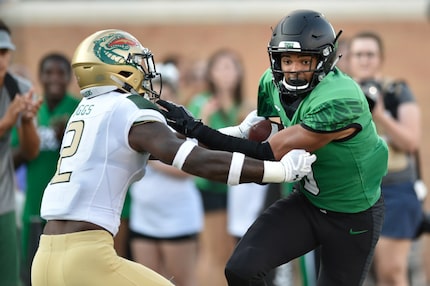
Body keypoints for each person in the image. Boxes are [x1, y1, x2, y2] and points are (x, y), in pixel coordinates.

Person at [30, 29, 316, 286]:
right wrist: (278, 171)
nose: (145, 71)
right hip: (86, 257)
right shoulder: (126, 107)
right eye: (136, 63)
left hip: (44, 258)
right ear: (117, 68)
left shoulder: (89, 109)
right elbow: (194, 159)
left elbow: (173, 144)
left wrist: (237, 133)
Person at [158, 9, 389, 286]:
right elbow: (267, 130)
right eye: (287, 59)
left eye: (305, 60)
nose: (292, 69)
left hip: (352, 214)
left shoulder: (340, 100)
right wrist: (229, 132)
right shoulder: (271, 81)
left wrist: (194, 129)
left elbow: (268, 152)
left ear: (325, 59)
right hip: (308, 202)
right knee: (241, 269)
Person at [347, 31, 426, 286]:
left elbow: (411, 141)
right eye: (359, 54)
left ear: (380, 58)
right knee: (360, 272)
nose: (364, 60)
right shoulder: (341, 94)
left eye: (370, 54)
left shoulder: (397, 90)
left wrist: (380, 114)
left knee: (391, 270)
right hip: (352, 193)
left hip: (395, 190)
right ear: (349, 59)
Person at [129, 62, 203, 286]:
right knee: (148, 281)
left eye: (163, 94)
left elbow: (188, 170)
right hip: (143, 217)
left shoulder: (184, 126)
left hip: (178, 218)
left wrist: (151, 159)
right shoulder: (134, 125)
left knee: (181, 281)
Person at [11, 52, 80, 285]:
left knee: (67, 276)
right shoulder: (30, 111)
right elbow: (12, 160)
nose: (55, 78)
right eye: (49, 72)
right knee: (33, 275)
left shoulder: (80, 109)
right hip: (35, 207)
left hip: (71, 211)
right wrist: (32, 142)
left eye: (61, 73)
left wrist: (67, 140)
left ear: (70, 77)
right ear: (40, 76)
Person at [186, 48, 246, 286]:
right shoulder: (202, 103)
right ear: (210, 73)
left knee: (231, 251)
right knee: (214, 251)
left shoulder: (244, 106)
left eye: (230, 67)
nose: (226, 73)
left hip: (238, 187)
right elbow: (197, 145)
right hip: (211, 185)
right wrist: (206, 118)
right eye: (220, 67)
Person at [0, 19, 41, 286]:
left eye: (3, 52)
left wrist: (25, 121)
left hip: (3, 206)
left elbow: (30, 151)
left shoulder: (19, 89)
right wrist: (6, 122)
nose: (1, 60)